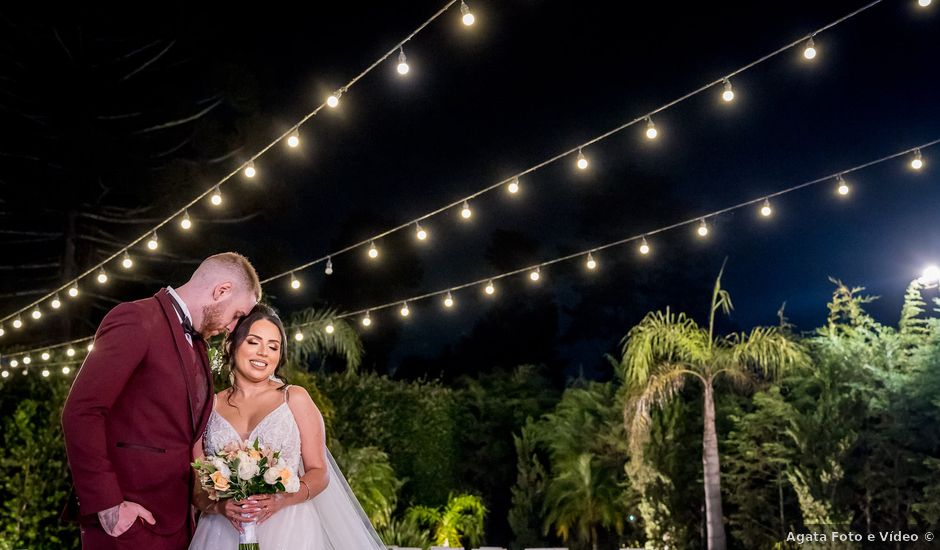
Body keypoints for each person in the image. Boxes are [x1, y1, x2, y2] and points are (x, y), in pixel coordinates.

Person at [61, 252, 261, 549]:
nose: (233, 328)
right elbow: (82, 411)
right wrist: (108, 505)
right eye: (237, 315)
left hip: (179, 523)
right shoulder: (136, 318)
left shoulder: (199, 346)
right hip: (130, 523)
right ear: (222, 291)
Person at [188, 304, 386, 549]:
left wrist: (282, 500)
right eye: (253, 342)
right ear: (230, 345)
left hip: (289, 528)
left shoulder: (294, 398)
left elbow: (319, 472)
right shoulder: (208, 407)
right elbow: (197, 487)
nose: (264, 353)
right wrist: (220, 506)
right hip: (221, 532)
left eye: (273, 347)